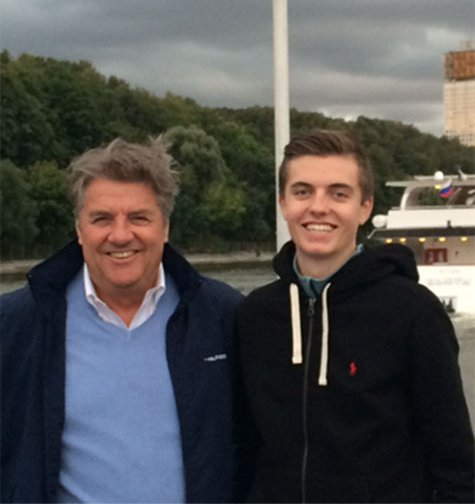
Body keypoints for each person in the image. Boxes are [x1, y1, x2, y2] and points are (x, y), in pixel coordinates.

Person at [1, 137, 246, 504]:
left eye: (138, 218)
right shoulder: (17, 325)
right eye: (101, 219)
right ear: (79, 229)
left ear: (165, 227)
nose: (119, 235)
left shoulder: (223, 317)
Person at [237, 129, 474, 503]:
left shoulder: (413, 313)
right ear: (283, 203)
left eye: (338, 193)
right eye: (303, 191)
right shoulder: (255, 316)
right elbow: (244, 450)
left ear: (364, 207)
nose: (318, 207)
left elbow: (457, 466)